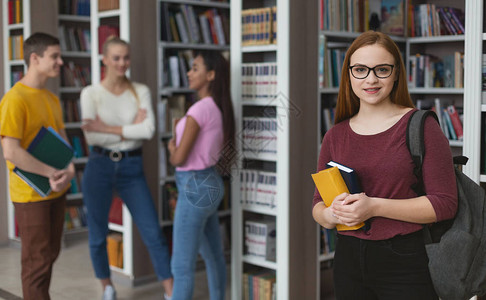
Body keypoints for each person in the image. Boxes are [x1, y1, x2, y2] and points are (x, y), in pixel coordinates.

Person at [312, 31, 458, 299]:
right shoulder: (335, 135)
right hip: (347, 259)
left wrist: (374, 206)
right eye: (360, 70)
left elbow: (444, 204)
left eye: (381, 69)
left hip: (406, 260)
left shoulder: (421, 126)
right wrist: (333, 215)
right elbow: (317, 206)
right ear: (348, 75)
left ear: (396, 74)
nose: (371, 79)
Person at [80, 37, 173, 300]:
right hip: (99, 166)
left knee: (153, 232)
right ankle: (107, 287)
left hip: (132, 167)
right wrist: (130, 127)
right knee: (98, 234)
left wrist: (108, 128)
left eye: (126, 57)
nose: (122, 63)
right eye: (116, 58)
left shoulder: (140, 91)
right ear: (105, 59)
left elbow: (148, 130)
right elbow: (91, 138)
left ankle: (170, 292)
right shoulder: (90, 93)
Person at [0, 32, 75, 300]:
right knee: (36, 266)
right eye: (54, 56)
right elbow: (10, 151)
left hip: (56, 189)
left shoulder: (51, 98)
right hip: (31, 195)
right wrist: (50, 172)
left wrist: (70, 170)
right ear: (35, 58)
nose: (60, 61)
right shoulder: (15, 99)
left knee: (48, 257)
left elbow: (63, 139)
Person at [168, 50, 235, 300]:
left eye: (195, 68)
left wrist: (172, 146)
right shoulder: (217, 107)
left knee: (181, 266)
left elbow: (179, 158)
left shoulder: (198, 110)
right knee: (213, 256)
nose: (189, 72)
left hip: (194, 185)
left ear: (211, 74)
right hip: (211, 183)